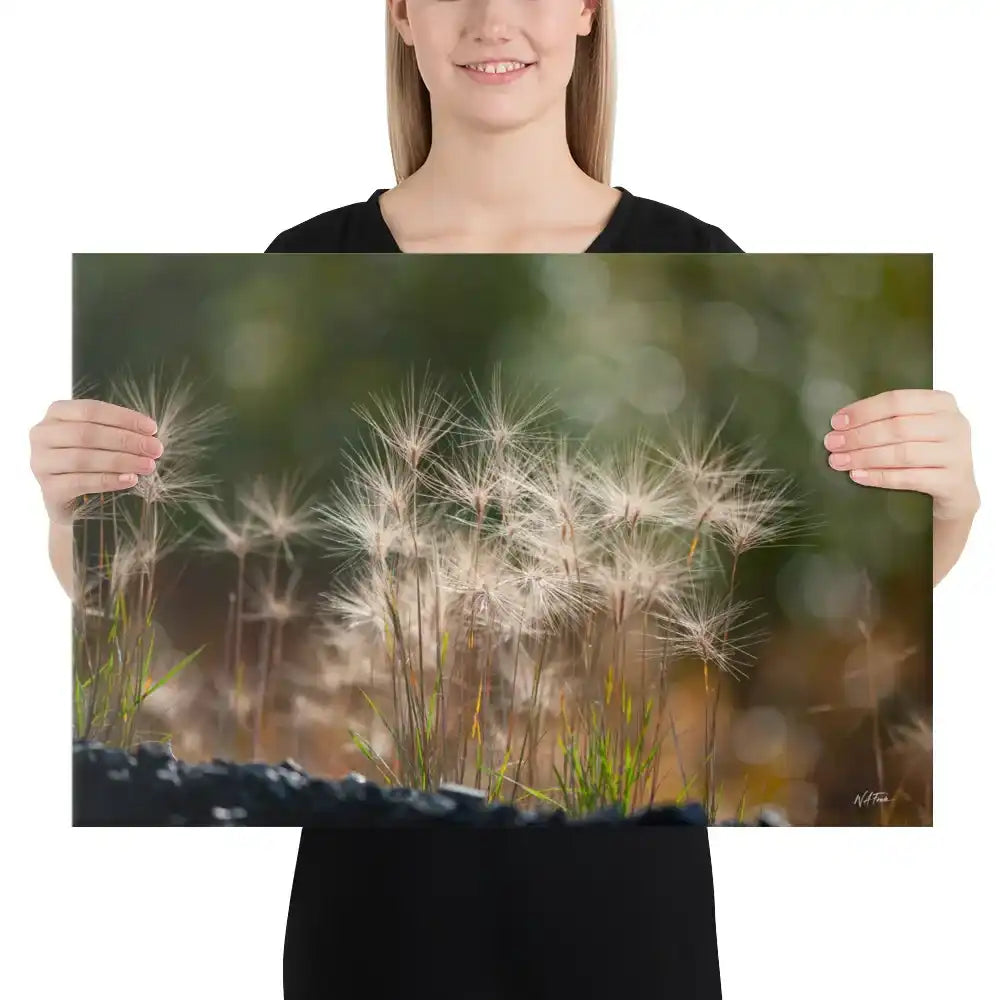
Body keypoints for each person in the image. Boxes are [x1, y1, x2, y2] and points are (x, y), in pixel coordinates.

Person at [30, 1, 978, 997]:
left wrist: (951, 507)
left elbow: (864, 559)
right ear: (402, 14)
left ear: (587, 11)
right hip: (373, 942)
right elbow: (98, 584)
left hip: (628, 945)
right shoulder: (305, 247)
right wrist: (64, 515)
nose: (492, 17)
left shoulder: (699, 247)